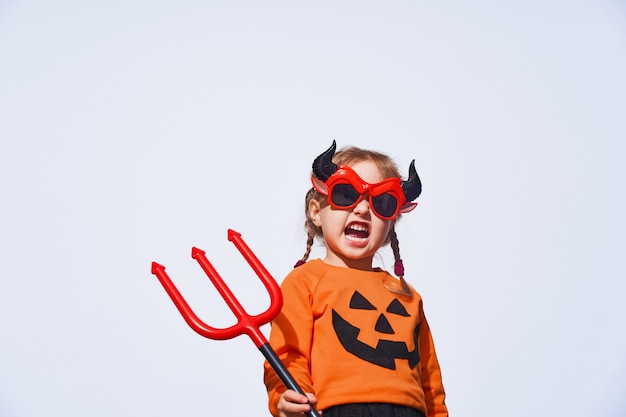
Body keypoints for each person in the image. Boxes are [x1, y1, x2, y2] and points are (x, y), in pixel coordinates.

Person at [263, 141, 448, 417]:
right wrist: (286, 396)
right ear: (316, 212)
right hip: (337, 410)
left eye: (382, 202)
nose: (362, 210)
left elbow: (430, 384)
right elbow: (289, 355)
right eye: (346, 194)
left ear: (390, 224)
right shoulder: (305, 281)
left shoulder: (407, 297)